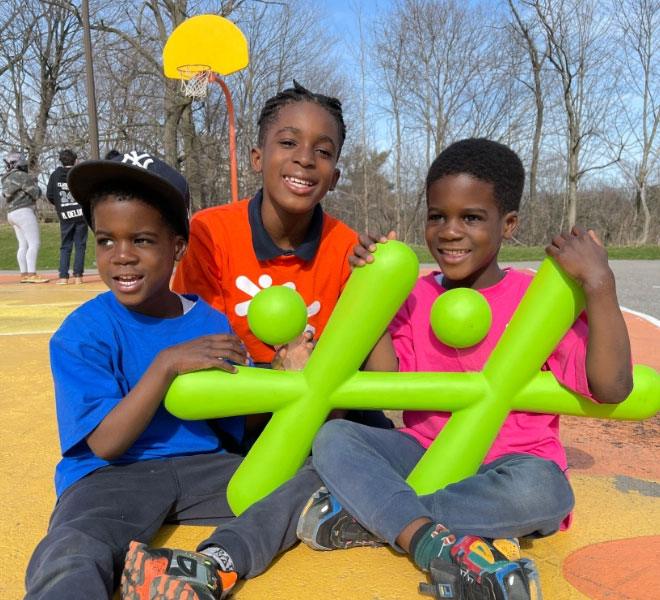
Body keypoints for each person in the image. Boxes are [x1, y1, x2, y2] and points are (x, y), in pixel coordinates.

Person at [296, 138, 634, 600]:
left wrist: (599, 283)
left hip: (510, 467)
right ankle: (418, 529)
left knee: (546, 491)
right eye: (438, 216)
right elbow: (383, 389)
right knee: (335, 437)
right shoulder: (414, 296)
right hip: (423, 454)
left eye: (471, 218)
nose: (450, 231)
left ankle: (374, 517)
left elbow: (613, 386)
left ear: (508, 224)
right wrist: (369, 293)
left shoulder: (539, 302)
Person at [25, 151, 324, 600]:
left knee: (313, 475)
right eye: (106, 241)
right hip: (112, 477)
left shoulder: (209, 322)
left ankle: (217, 560)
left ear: (177, 248)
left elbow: (236, 428)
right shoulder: (82, 332)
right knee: (73, 545)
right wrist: (165, 365)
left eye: (142, 240)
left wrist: (279, 379)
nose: (122, 257)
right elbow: (106, 443)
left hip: (203, 468)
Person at [173, 80, 391, 447]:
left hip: (323, 418)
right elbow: (202, 361)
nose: (305, 158)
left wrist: (375, 288)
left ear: (335, 177)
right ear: (257, 158)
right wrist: (281, 375)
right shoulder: (210, 232)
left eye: (323, 151)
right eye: (288, 143)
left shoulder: (347, 248)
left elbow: (382, 378)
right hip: (239, 417)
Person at [1, 152, 48, 283]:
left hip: (11, 214)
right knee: (34, 243)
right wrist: (36, 185)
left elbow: (6, 195)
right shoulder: (23, 176)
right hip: (24, 211)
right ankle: (32, 274)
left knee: (23, 244)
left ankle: (24, 274)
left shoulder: (5, 178)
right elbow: (35, 193)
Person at [46, 148, 88, 284]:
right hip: (81, 215)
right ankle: (78, 277)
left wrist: (60, 205)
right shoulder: (80, 174)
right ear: (75, 160)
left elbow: (50, 195)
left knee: (66, 246)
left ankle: (63, 277)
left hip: (65, 215)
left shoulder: (55, 175)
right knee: (80, 245)